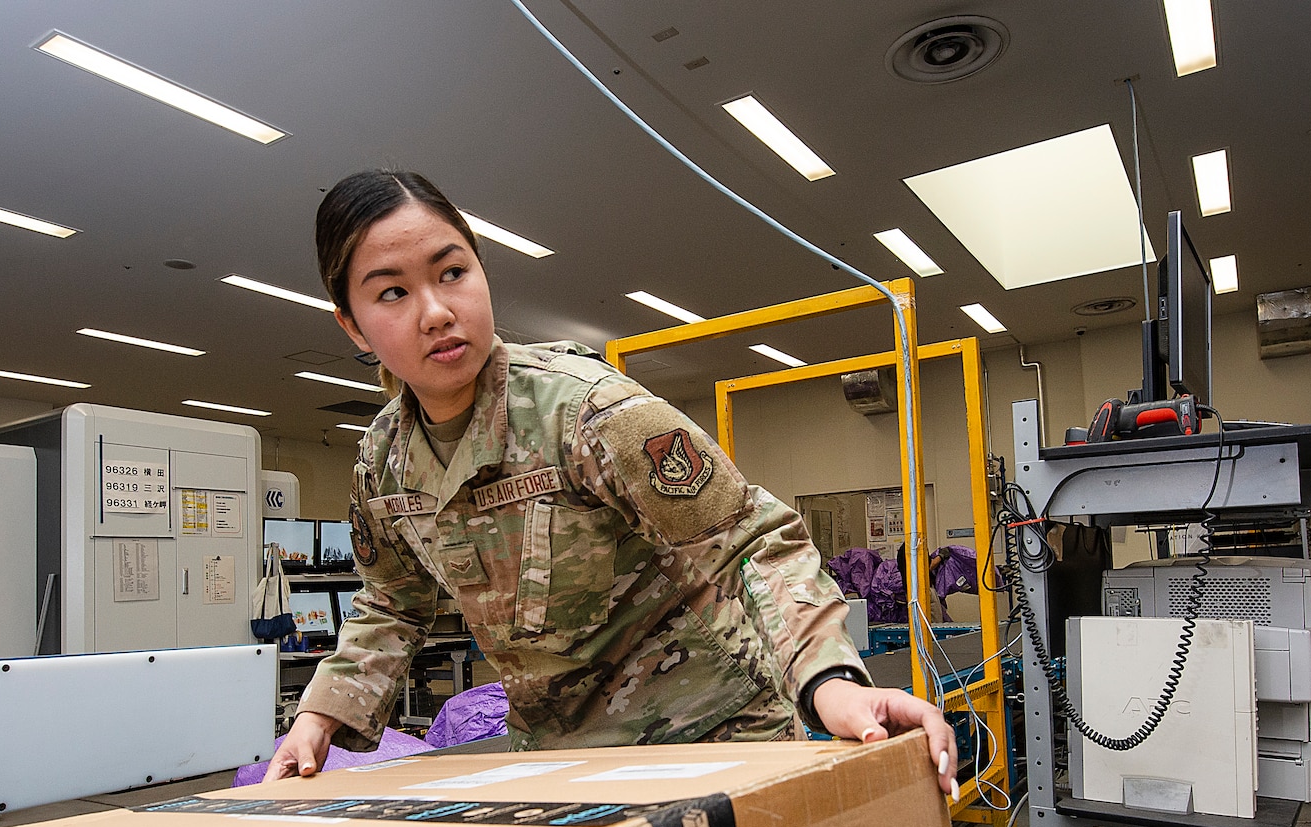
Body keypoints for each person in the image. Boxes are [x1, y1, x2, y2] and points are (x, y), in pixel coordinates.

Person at [268, 170, 956, 793]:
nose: (437, 310)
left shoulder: (586, 412)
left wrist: (828, 681)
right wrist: (320, 718)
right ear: (351, 324)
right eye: (393, 291)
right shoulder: (381, 462)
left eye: (452, 272)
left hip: (713, 733)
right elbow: (393, 603)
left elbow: (752, 541)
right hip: (564, 760)